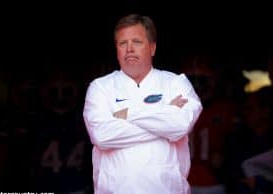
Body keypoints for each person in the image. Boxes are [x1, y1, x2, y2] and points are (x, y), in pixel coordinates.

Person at [83, 14, 203, 194]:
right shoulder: (100, 87)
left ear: (153, 48)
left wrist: (126, 114)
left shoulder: (176, 83)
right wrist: (164, 115)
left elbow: (179, 125)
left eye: (137, 42)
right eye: (122, 43)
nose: (129, 49)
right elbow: (102, 136)